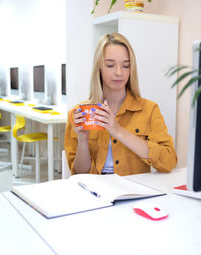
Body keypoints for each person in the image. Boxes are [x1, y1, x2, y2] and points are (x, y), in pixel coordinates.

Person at [64, 33, 177, 176]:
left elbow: (169, 162)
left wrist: (118, 131)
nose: (119, 72)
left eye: (126, 66)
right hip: (95, 192)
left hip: (133, 192)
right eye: (110, 65)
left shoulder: (149, 110)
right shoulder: (78, 113)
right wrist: (83, 141)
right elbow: (79, 173)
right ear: (99, 67)